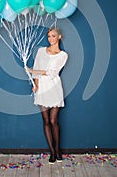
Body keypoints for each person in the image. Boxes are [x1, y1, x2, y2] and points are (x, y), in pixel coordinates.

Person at [26, 27, 68, 164]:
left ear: (59, 37)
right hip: (42, 89)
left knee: (53, 121)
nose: (50, 39)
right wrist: (36, 85)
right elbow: (37, 70)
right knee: (45, 121)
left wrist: (31, 69)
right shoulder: (41, 51)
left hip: (54, 88)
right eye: (49, 36)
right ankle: (52, 153)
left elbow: (52, 72)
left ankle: (58, 150)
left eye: (53, 36)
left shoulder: (63, 55)